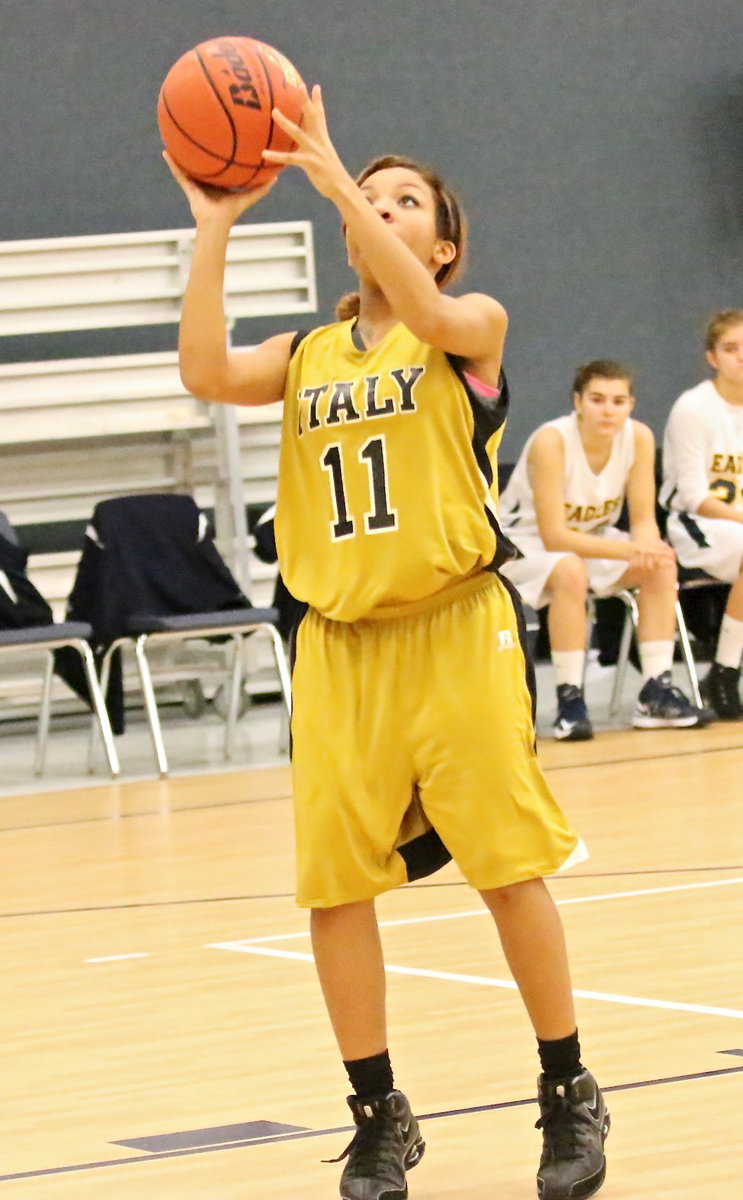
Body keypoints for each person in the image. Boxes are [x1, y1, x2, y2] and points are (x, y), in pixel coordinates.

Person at [166, 86, 610, 1200]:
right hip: (340, 645)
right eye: (368, 198)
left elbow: (431, 313)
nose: (378, 207)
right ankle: (377, 1115)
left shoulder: (470, 328)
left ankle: (566, 1086)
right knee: (333, 890)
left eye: (404, 201)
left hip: (455, 629)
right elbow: (204, 371)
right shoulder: (310, 352)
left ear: (443, 245)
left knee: (506, 869)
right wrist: (214, 224)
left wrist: (328, 177)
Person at [498, 361, 710, 740]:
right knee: (570, 569)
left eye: (618, 401)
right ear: (577, 401)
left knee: (661, 564)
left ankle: (655, 691)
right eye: (597, 400)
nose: (608, 410)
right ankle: (570, 699)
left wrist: (648, 547)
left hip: (591, 539)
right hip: (522, 544)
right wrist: (629, 551)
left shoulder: (639, 437)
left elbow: (643, 519)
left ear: (631, 404)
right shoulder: (552, 441)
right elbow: (554, 536)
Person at [661, 309, 743, 719]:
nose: (741, 356)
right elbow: (694, 497)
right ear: (712, 357)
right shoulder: (693, 407)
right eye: (731, 348)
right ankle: (725, 673)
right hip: (697, 524)